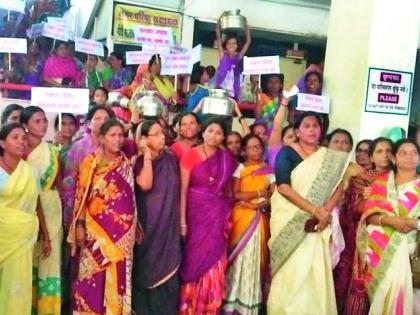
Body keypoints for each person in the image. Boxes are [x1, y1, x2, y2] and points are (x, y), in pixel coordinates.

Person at [268, 111, 350, 315]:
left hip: (318, 221)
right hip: (290, 220)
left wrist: (325, 213)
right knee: (291, 272)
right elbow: (283, 187)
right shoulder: (287, 152)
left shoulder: (328, 157)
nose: (312, 129)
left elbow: (339, 186)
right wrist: (314, 210)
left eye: (316, 125)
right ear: (297, 131)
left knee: (315, 271)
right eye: (306, 126)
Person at [68, 119, 136, 315]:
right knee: (91, 278)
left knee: (118, 277)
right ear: (101, 138)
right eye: (112, 135)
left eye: (120, 135)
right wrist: (79, 225)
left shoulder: (125, 164)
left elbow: (130, 202)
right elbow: (81, 197)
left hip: (121, 236)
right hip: (94, 231)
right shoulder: (89, 163)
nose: (117, 139)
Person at [179, 118, 237, 314]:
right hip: (195, 216)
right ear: (202, 132)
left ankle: (209, 306)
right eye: (210, 130)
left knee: (215, 259)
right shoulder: (190, 155)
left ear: (223, 137)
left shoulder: (226, 158)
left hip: (217, 216)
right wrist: (182, 222)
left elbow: (228, 192)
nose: (214, 135)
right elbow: (183, 191)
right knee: (195, 258)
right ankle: (190, 306)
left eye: (219, 132)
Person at [358, 139, 420, 315]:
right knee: (383, 296)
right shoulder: (380, 184)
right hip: (380, 249)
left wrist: (414, 223)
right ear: (393, 158)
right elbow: (369, 217)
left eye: (414, 153)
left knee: (409, 300)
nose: (409, 157)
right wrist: (392, 221)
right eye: (403, 153)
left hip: (412, 252)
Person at [334, 137, 393, 315]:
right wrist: (370, 198)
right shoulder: (361, 180)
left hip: (392, 237)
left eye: (389, 151)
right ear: (372, 157)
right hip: (365, 238)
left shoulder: (400, 178)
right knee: (362, 283)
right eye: (379, 151)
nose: (385, 155)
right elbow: (353, 211)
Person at [132, 120, 181, 315]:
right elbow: (145, 184)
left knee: (168, 273)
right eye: (157, 134)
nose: (162, 137)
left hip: (167, 227)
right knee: (146, 271)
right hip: (148, 227)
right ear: (144, 139)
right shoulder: (137, 161)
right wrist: (146, 155)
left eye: (163, 133)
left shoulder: (169, 158)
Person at [0, 123, 50, 315]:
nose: (21, 141)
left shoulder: (30, 172)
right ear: (2, 143)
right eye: (15, 137)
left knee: (16, 285)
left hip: (22, 239)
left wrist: (45, 236)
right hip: (3, 235)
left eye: (23, 137)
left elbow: (36, 204)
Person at [223, 134, 275, 314]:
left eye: (259, 147)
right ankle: (230, 301)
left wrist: (261, 203)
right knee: (238, 258)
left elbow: (274, 195)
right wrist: (259, 193)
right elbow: (235, 195)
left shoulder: (268, 170)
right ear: (244, 151)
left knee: (255, 259)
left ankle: (249, 301)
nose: (256, 150)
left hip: (260, 217)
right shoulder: (239, 168)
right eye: (252, 147)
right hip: (241, 217)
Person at [21, 106, 62, 314]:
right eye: (37, 121)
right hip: (25, 210)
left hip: (51, 209)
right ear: (25, 125)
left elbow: (59, 183)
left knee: (49, 261)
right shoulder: (18, 151)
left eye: (44, 120)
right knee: (25, 264)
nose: (43, 125)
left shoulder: (52, 150)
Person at [215, 16, 251, 100]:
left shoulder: (238, 57)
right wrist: (220, 18)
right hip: (220, 91)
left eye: (234, 43)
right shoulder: (223, 55)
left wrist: (246, 26)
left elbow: (248, 42)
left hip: (234, 93)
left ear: (237, 45)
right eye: (229, 43)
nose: (231, 45)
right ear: (226, 45)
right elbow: (217, 33)